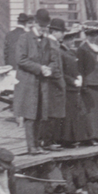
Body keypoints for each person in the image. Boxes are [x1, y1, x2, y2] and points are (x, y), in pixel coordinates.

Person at [12, 9, 63, 154]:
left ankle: (37, 144)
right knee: (30, 115)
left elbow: (53, 60)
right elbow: (21, 59)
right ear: (34, 23)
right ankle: (31, 146)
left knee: (41, 114)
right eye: (41, 26)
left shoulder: (47, 41)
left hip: (42, 83)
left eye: (45, 27)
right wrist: (39, 68)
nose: (43, 29)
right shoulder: (24, 38)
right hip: (28, 83)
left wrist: (50, 69)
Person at [40, 18, 69, 149]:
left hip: (51, 83)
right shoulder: (52, 45)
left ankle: (48, 140)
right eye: (62, 32)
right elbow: (55, 66)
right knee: (52, 113)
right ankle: (47, 141)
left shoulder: (50, 43)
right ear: (55, 31)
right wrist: (61, 83)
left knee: (51, 112)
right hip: (54, 84)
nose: (63, 34)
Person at [58, 23, 86, 146]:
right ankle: (65, 140)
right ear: (65, 40)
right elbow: (61, 72)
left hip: (74, 87)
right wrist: (72, 80)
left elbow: (75, 67)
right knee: (67, 114)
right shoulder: (60, 52)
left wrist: (79, 75)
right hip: (66, 87)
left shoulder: (70, 52)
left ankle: (72, 138)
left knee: (73, 113)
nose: (73, 41)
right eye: (70, 39)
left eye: (74, 38)